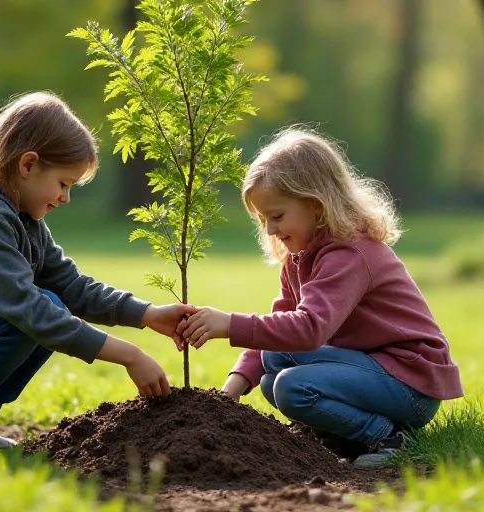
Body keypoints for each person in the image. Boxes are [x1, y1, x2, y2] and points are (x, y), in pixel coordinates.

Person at [0, 91, 195, 448]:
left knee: (52, 304)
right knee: (40, 313)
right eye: (63, 183)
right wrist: (128, 355)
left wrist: (148, 314)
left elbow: (71, 285)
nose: (66, 198)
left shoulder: (20, 216)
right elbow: (28, 309)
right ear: (27, 165)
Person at [175, 127, 463, 469]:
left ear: (315, 204)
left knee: (291, 389)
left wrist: (230, 325)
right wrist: (229, 393)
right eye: (263, 220)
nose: (269, 230)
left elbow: (309, 329)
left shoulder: (349, 254)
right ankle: (344, 436)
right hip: (370, 369)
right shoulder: (299, 258)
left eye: (277, 216)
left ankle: (389, 436)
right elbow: (278, 332)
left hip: (409, 382)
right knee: (272, 370)